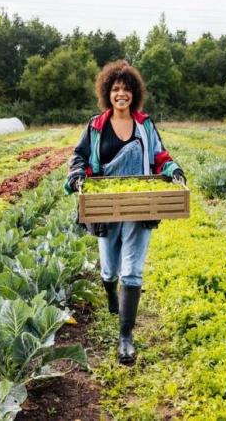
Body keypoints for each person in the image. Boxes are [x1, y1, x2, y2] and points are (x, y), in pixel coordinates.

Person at [64, 60, 185, 365]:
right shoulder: (95, 126)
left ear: (134, 93)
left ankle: (125, 338)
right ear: (108, 92)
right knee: (109, 268)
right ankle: (109, 292)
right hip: (105, 206)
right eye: (116, 89)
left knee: (132, 269)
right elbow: (79, 157)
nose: (122, 94)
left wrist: (172, 170)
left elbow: (159, 155)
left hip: (140, 205)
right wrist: (78, 175)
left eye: (127, 89)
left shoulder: (144, 124)